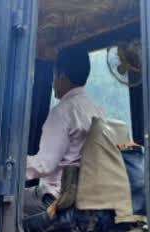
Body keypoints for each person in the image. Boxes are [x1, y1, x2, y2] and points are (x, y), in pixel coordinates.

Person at [24, 46, 105, 216]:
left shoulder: (62, 112)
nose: (53, 83)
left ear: (62, 76)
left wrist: (11, 165)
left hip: (54, 198)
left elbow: (44, 165)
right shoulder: (98, 111)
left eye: (53, 76)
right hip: (85, 198)